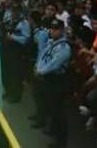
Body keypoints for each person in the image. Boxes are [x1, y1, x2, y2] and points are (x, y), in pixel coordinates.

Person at [30, 19, 71, 148]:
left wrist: (41, 71)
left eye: (56, 29)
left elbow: (55, 64)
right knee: (50, 106)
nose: (53, 31)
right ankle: (52, 130)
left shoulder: (64, 47)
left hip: (57, 80)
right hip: (46, 78)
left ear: (62, 30)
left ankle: (61, 142)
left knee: (58, 112)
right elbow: (43, 56)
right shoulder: (51, 42)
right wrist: (38, 67)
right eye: (52, 29)